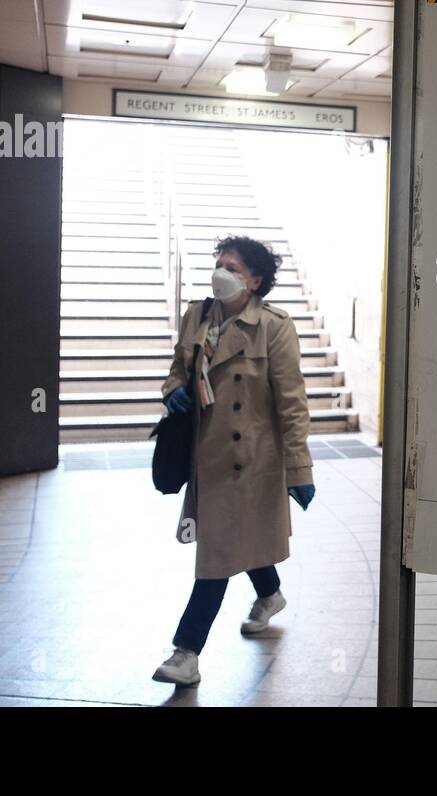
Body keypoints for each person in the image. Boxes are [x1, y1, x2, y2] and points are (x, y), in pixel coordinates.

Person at [152, 235, 315, 687]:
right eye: (219, 263)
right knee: (232, 539)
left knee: (217, 553)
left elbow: (292, 404)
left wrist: (299, 469)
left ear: (255, 280)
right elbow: (176, 372)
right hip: (205, 457)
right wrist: (174, 394)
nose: (221, 272)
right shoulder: (197, 316)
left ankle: (186, 653)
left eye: (233, 267)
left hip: (251, 461)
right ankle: (270, 593)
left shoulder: (275, 327)